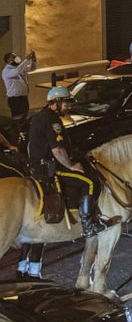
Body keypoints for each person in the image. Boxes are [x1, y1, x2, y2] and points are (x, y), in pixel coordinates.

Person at [27, 87, 106, 237]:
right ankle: (89, 226)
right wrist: (71, 165)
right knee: (90, 182)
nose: (69, 106)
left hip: (39, 163)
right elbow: (57, 151)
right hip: (51, 166)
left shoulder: (40, 116)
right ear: (56, 103)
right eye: (66, 103)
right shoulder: (52, 120)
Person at [3, 51, 35, 122]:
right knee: (17, 120)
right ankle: (17, 132)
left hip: (23, 98)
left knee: (25, 119)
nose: (16, 58)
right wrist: (26, 59)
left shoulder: (19, 68)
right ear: (8, 60)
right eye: (13, 57)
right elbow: (17, 71)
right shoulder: (6, 71)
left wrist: (33, 60)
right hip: (15, 100)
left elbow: (31, 68)